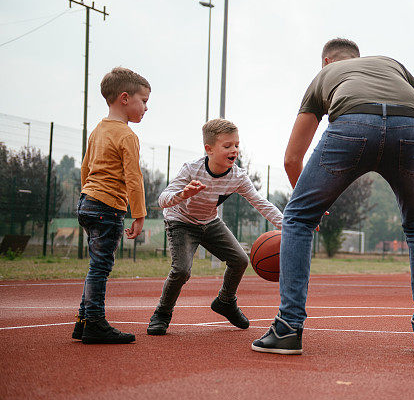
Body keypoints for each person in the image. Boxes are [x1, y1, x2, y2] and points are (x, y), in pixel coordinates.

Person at [251, 38, 414, 355]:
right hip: (411, 128)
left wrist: (308, 208)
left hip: (354, 123)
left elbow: (292, 158)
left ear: (328, 62)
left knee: (297, 219)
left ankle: (288, 328)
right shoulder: (392, 64)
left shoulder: (325, 76)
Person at [146, 118, 283, 335]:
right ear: (208, 149)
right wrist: (183, 194)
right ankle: (162, 313)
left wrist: (287, 226)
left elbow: (261, 203)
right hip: (180, 222)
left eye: (236, 145)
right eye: (227, 146)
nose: (234, 150)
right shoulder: (192, 170)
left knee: (240, 260)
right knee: (181, 270)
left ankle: (225, 301)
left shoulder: (237, 176)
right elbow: (163, 199)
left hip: (209, 222)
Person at [72, 67, 151, 344]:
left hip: (87, 202)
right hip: (107, 208)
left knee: (96, 264)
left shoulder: (97, 130)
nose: (146, 108)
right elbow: (133, 177)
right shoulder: (127, 136)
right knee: (101, 266)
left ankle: (83, 322)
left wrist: (87, 195)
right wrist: (139, 214)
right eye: (144, 101)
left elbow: (85, 167)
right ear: (125, 98)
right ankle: (94, 322)